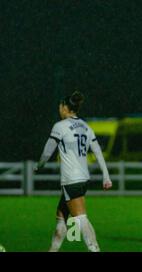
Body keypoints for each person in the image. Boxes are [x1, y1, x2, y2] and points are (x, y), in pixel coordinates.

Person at [35, 91, 112, 252]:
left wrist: (39, 165)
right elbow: (97, 151)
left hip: (71, 179)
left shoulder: (60, 126)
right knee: (61, 217)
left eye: (60, 107)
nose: (59, 110)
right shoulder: (85, 126)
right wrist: (106, 175)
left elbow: (47, 152)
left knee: (81, 219)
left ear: (64, 107)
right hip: (84, 178)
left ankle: (95, 249)